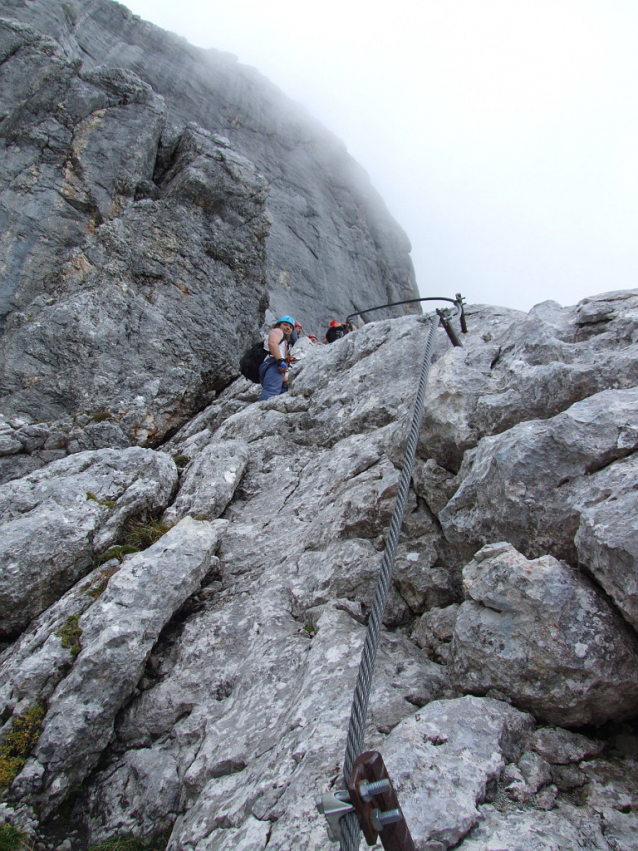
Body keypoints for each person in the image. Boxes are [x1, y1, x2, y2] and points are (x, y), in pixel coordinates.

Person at [258, 315, 295, 401]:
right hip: (273, 364)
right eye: (285, 325)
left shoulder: (284, 341)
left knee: (280, 392)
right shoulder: (277, 331)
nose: (288, 328)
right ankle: (261, 412)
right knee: (271, 392)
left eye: (290, 327)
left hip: (273, 365)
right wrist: (280, 360)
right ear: (278, 325)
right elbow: (272, 343)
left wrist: (284, 376)